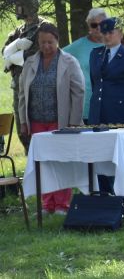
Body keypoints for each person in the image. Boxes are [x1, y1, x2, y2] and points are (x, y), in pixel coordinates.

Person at [18, 23, 84, 214]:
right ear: (38, 42)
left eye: (50, 42)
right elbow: (22, 94)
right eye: (43, 42)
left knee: (61, 162)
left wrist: (73, 122)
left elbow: (78, 92)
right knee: (43, 164)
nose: (46, 46)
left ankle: (62, 204)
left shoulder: (69, 62)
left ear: (57, 41)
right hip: (36, 121)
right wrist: (23, 121)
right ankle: (47, 204)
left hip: (60, 122)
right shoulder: (30, 62)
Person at [88, 17, 124, 208]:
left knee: (122, 158)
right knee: (100, 156)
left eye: (110, 32)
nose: (107, 36)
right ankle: (105, 195)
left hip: (120, 113)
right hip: (98, 113)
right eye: (104, 32)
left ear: (120, 33)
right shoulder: (95, 54)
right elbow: (96, 83)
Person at [2, 0, 52, 154]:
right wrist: (16, 47)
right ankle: (30, 159)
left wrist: (12, 58)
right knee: (22, 128)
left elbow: (33, 56)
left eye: (20, 6)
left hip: (38, 87)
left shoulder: (45, 28)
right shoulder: (19, 30)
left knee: (39, 129)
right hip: (19, 86)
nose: (17, 9)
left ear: (30, 7)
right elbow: (4, 52)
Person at [62, 8, 109, 123]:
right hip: (85, 106)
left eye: (102, 24)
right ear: (89, 26)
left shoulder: (113, 45)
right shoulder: (77, 47)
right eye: (94, 25)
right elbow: (57, 57)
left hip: (109, 105)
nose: (98, 28)